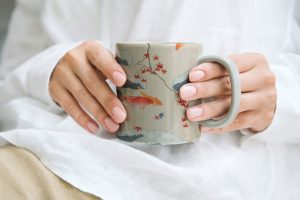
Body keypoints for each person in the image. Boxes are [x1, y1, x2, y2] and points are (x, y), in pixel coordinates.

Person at [0, 0, 299, 199]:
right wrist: (50, 69)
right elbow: (13, 71)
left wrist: (279, 98)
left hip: (232, 176)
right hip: (67, 156)